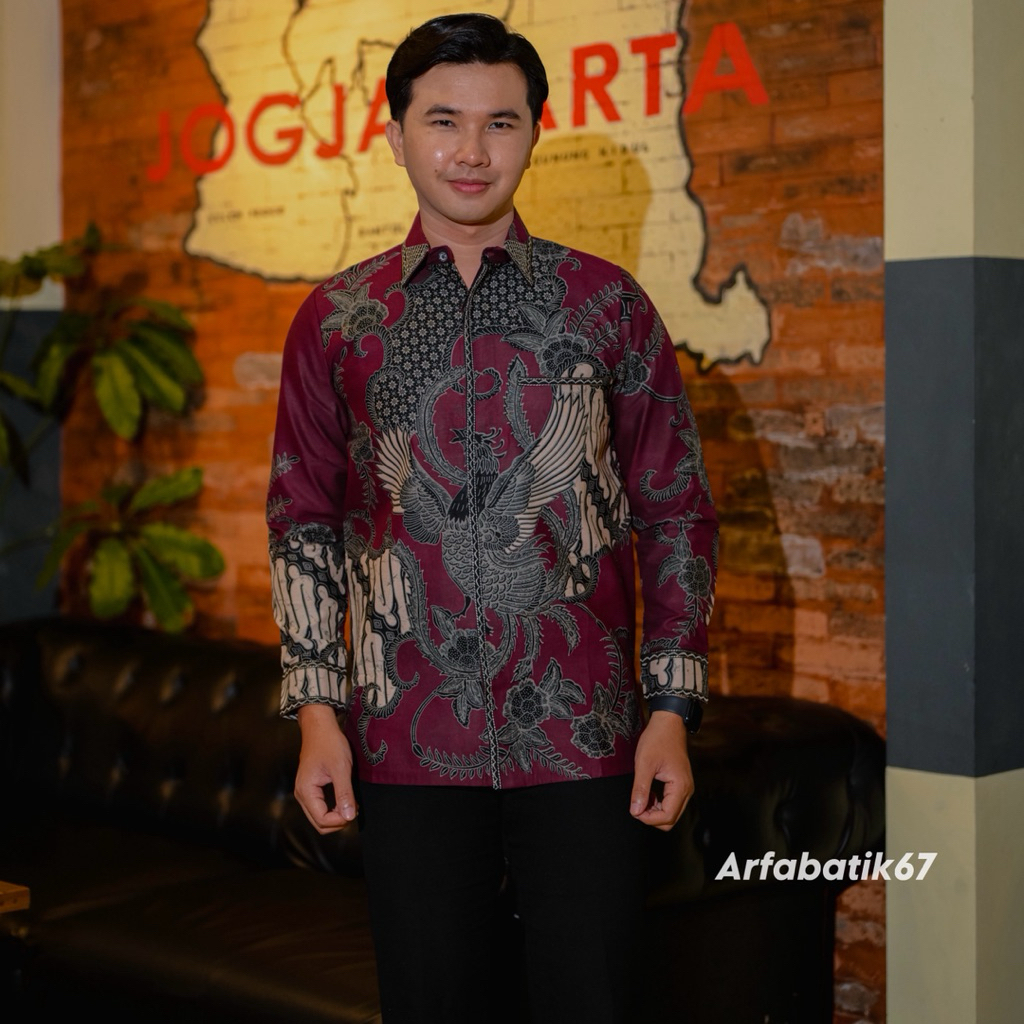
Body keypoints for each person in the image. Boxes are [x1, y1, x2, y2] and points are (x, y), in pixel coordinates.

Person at [267, 13, 717, 1024]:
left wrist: (669, 711)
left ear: (534, 134)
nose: (471, 151)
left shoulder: (606, 304)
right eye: (444, 121)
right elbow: (302, 519)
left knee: (594, 999)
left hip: (584, 734)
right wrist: (317, 714)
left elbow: (675, 508)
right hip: (406, 734)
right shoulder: (337, 320)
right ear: (395, 136)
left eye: (500, 123)